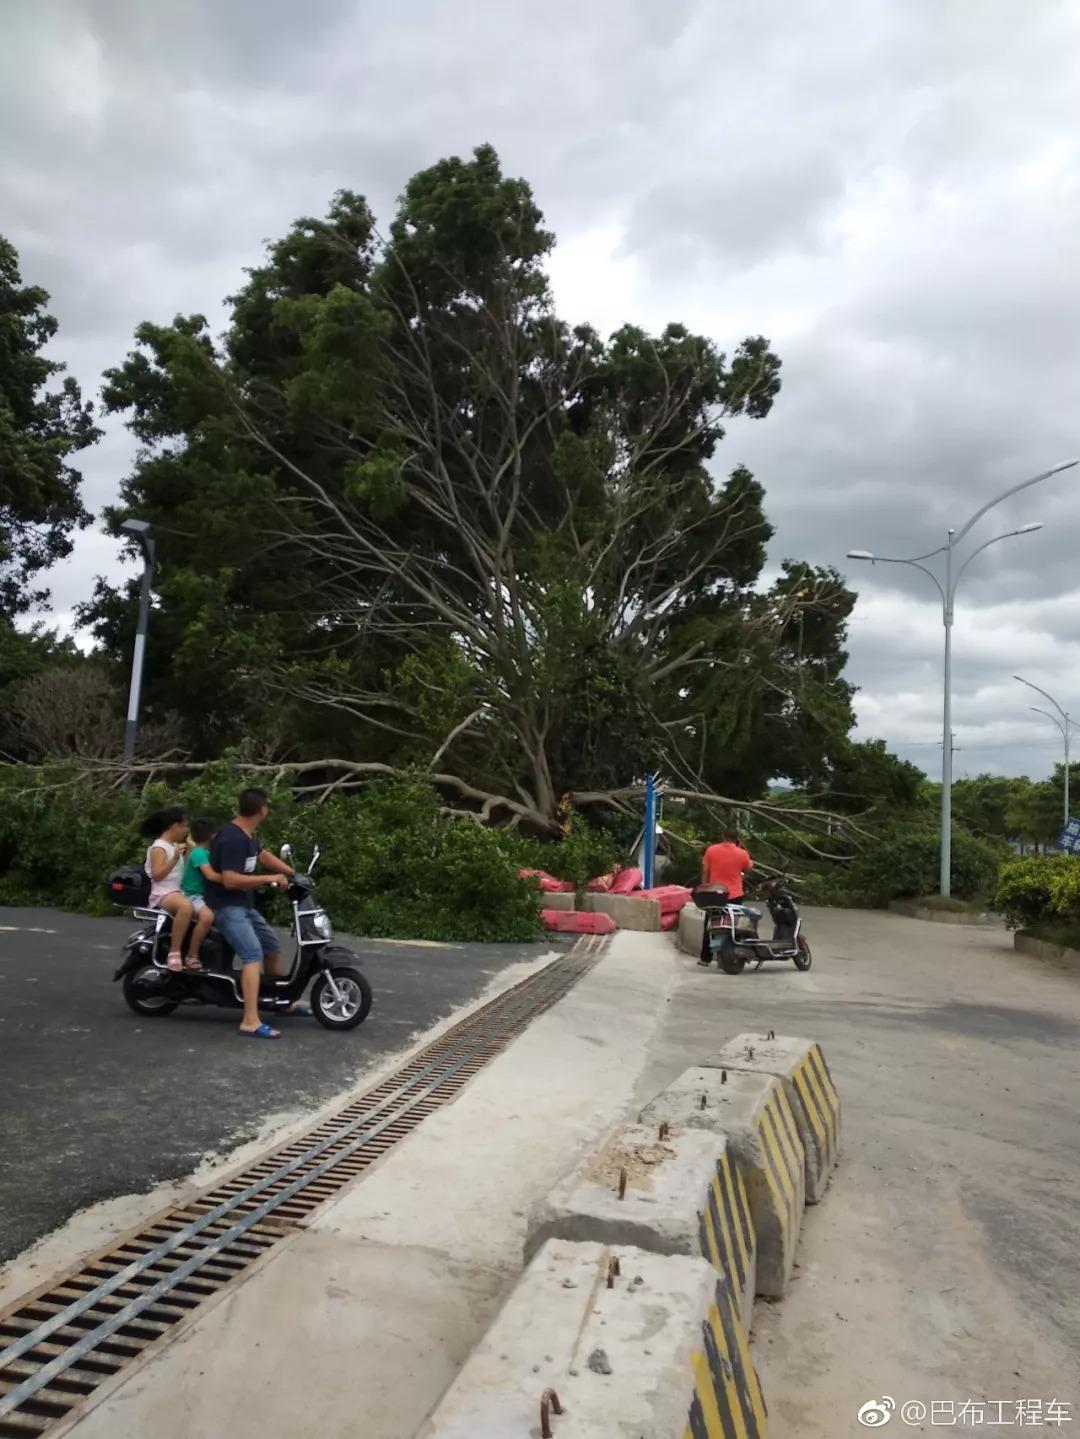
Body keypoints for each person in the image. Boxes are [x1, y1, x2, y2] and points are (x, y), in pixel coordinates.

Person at [204, 788, 294, 1039]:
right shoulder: (232, 839)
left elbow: (262, 855)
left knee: (271, 948)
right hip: (226, 906)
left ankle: (282, 1003)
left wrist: (291, 873)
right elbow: (230, 880)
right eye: (268, 806)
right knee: (252, 954)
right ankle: (250, 1020)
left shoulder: (247, 835)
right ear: (262, 809)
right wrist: (269, 879)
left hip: (244, 906)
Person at [141, 807, 200, 973]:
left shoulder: (173, 845)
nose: (186, 830)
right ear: (175, 826)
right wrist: (174, 858)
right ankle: (174, 952)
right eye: (184, 826)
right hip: (163, 892)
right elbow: (158, 874)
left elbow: (184, 869)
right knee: (186, 906)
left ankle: (193, 951)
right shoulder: (159, 847)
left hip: (177, 890)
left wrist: (189, 850)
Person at [697, 829, 754, 966]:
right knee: (736, 925)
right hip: (735, 895)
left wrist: (705, 887)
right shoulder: (742, 854)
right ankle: (733, 955)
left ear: (723, 836)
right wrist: (741, 877)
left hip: (715, 895)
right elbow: (749, 869)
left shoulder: (711, 850)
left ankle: (706, 958)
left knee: (711, 925)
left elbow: (705, 870)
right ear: (737, 839)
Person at [181, 818, 219, 968]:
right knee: (207, 917)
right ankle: (192, 955)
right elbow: (210, 875)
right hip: (192, 895)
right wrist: (231, 879)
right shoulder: (199, 853)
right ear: (212, 835)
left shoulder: (203, 852)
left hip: (202, 895)